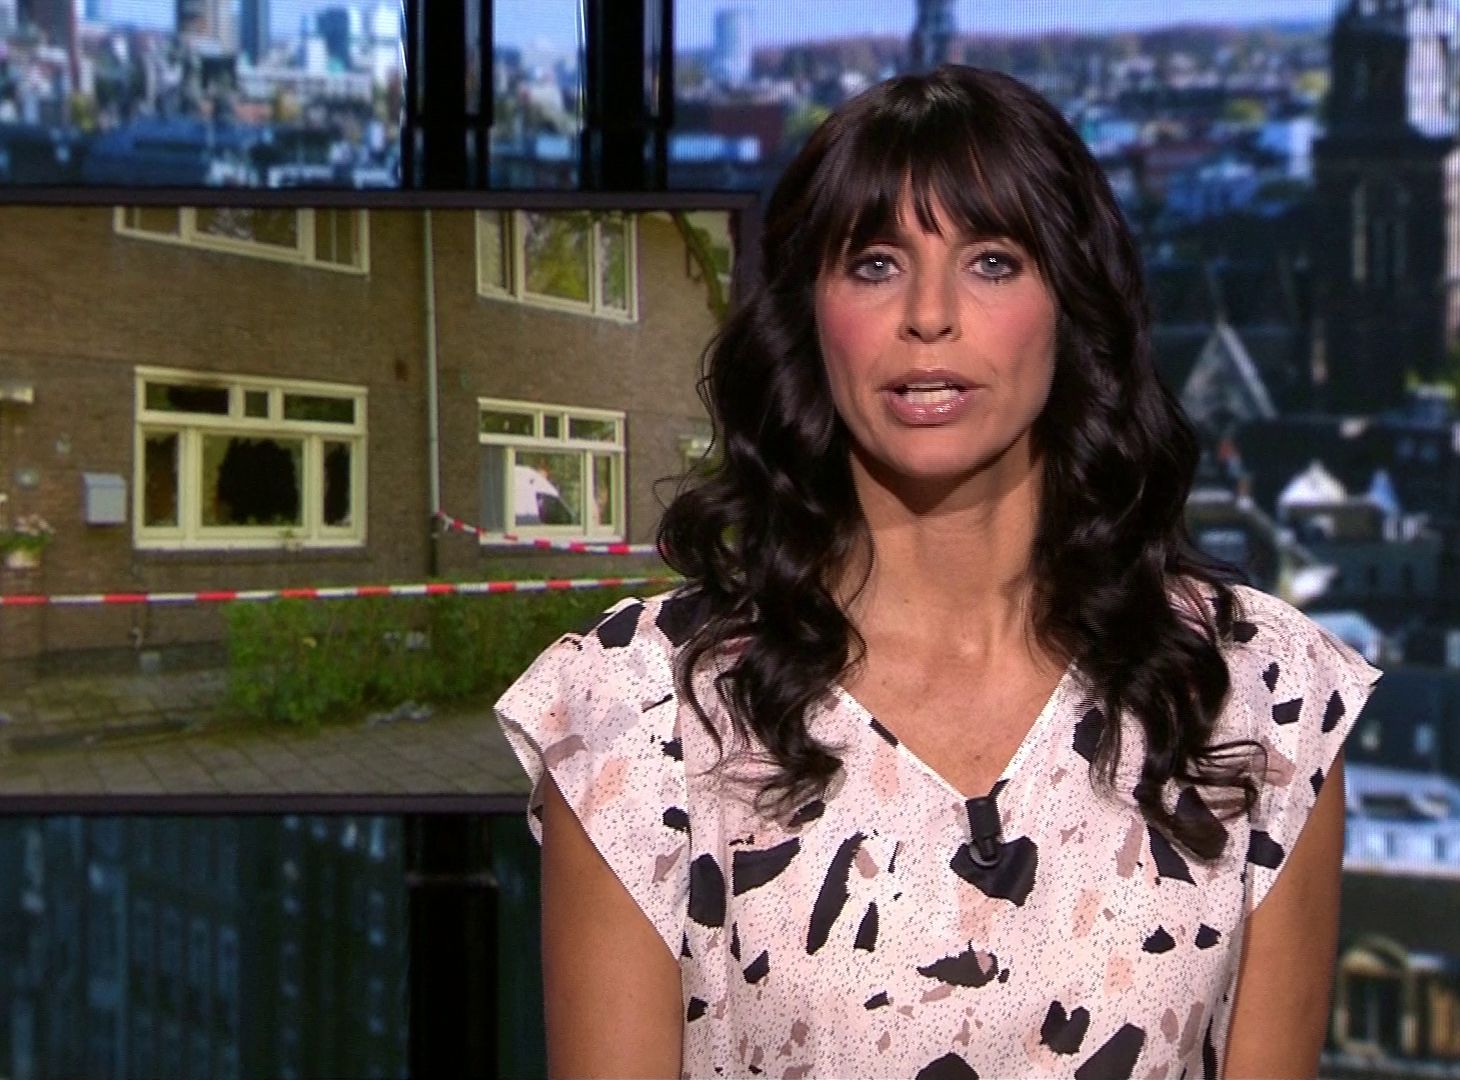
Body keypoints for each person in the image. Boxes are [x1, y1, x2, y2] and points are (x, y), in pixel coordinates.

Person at [493, 65, 1380, 1080]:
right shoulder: (644, 710)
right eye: (875, 264)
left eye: (992, 261)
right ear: (809, 314)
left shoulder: (1257, 694)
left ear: (1070, 305)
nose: (928, 314)